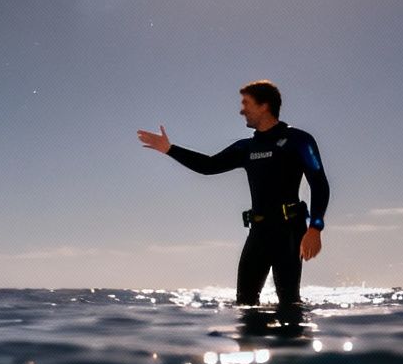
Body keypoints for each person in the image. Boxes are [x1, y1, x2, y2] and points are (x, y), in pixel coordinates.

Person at [139, 80, 329, 311]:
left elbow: (319, 183)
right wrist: (169, 149)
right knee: (245, 303)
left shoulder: (299, 140)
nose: (241, 110)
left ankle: (291, 345)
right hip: (258, 232)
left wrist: (315, 228)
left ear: (264, 106)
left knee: (289, 303)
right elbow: (209, 165)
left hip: (289, 231)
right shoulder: (245, 148)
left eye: (246, 104)